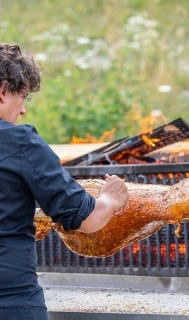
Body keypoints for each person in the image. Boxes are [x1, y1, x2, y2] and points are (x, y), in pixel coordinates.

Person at [0, 43, 129, 320]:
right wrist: (110, 198)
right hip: (11, 302)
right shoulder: (19, 142)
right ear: (2, 91)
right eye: (22, 96)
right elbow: (87, 219)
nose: (22, 110)